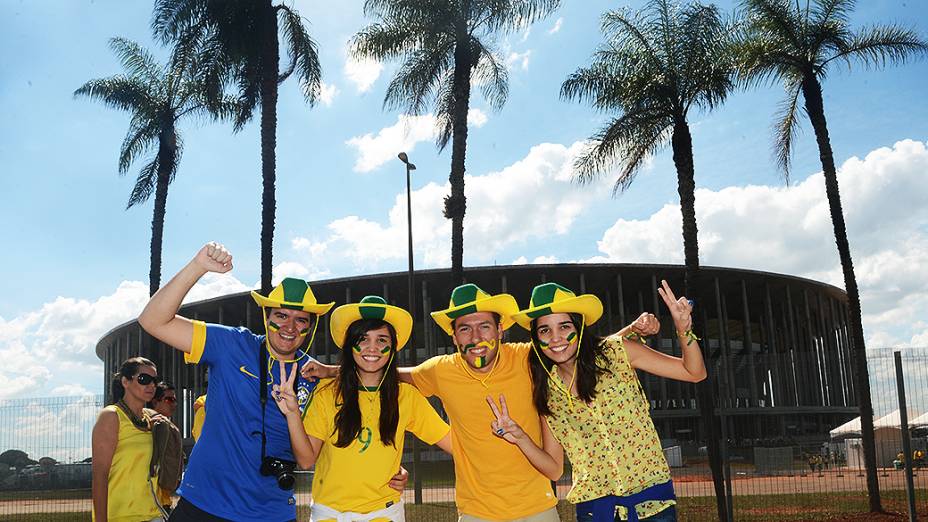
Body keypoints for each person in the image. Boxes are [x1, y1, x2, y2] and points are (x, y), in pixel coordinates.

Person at [304, 283, 657, 521]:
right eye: (465, 329)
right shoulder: (440, 371)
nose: (476, 337)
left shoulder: (526, 358)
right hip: (475, 512)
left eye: (484, 327)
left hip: (537, 509)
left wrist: (628, 332)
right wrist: (329, 370)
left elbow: (568, 345)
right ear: (454, 335)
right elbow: (387, 369)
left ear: (500, 329)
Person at [138, 242, 408, 521]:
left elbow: (370, 404)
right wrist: (198, 267)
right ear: (266, 317)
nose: (290, 327)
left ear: (311, 327)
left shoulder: (316, 376)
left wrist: (392, 470)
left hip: (271, 510)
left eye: (301, 320)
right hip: (205, 503)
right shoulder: (232, 344)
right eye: (281, 315)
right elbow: (152, 320)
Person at [507, 280, 706, 522]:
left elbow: (694, 372)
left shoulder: (616, 352)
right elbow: (554, 468)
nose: (556, 338)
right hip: (595, 510)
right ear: (536, 338)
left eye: (564, 325)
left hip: (651, 504)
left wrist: (683, 328)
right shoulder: (548, 392)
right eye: (545, 330)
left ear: (579, 327)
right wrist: (521, 439)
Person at [274, 296, 452, 521]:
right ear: (350, 345)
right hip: (329, 514)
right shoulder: (327, 393)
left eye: (381, 340)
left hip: (384, 513)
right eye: (363, 338)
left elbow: (455, 444)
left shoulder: (406, 396)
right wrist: (292, 413)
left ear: (392, 347)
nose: (372, 348)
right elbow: (307, 460)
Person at [91, 357, 164, 522]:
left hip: (154, 514)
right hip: (120, 516)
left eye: (155, 380)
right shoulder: (111, 416)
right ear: (125, 381)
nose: (151, 385)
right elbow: (99, 475)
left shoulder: (152, 420)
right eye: (144, 379)